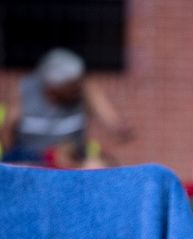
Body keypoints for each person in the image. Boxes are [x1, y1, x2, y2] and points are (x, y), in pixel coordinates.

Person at [0, 48, 133, 168]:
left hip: (72, 153)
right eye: (71, 85)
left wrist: (116, 125)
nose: (77, 88)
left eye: (78, 83)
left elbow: (100, 105)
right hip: (33, 157)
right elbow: (7, 130)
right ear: (52, 86)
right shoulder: (24, 92)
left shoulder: (85, 90)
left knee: (98, 165)